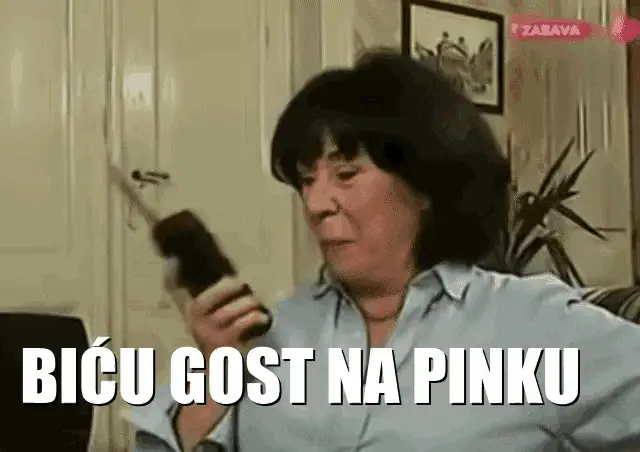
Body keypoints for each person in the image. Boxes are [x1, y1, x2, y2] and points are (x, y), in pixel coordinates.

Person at [128, 51, 640, 451]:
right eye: (306, 180)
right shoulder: (271, 333)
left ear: (424, 185)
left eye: (346, 174)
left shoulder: (533, 325)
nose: (316, 203)